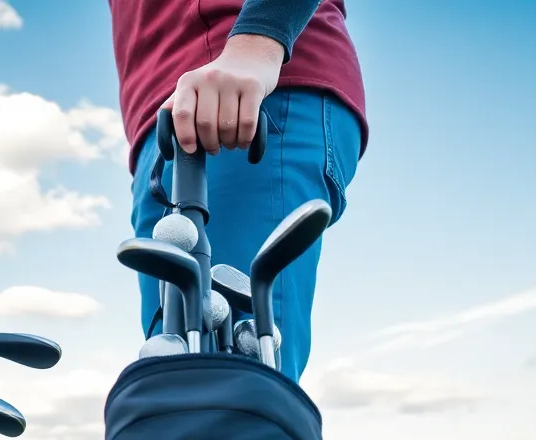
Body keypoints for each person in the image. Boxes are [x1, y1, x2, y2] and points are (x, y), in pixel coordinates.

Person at [108, 0, 368, 383]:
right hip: (159, 128)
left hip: (247, 87)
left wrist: (258, 41)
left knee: (231, 391)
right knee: (175, 388)